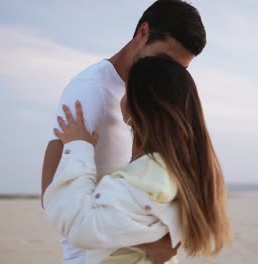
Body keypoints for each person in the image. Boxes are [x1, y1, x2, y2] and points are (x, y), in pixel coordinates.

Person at [41, 1, 207, 263]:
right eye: (165, 60)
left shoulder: (154, 99)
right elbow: (51, 192)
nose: (169, 74)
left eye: (180, 69)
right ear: (143, 33)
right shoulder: (91, 89)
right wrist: (146, 241)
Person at [43, 56, 233, 264]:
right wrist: (145, 241)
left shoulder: (148, 174)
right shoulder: (176, 169)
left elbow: (81, 225)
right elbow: (143, 220)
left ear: (138, 104)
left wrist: (79, 148)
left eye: (127, 90)